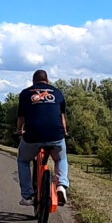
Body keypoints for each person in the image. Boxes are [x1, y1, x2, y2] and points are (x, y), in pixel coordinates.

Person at [16, 69, 70, 207]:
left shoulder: (25, 93)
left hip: (33, 135)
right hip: (55, 135)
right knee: (60, 158)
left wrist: (19, 130)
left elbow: (21, 117)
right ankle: (61, 186)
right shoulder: (57, 93)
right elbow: (62, 117)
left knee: (23, 160)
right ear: (48, 80)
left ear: (33, 81)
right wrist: (64, 132)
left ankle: (27, 196)